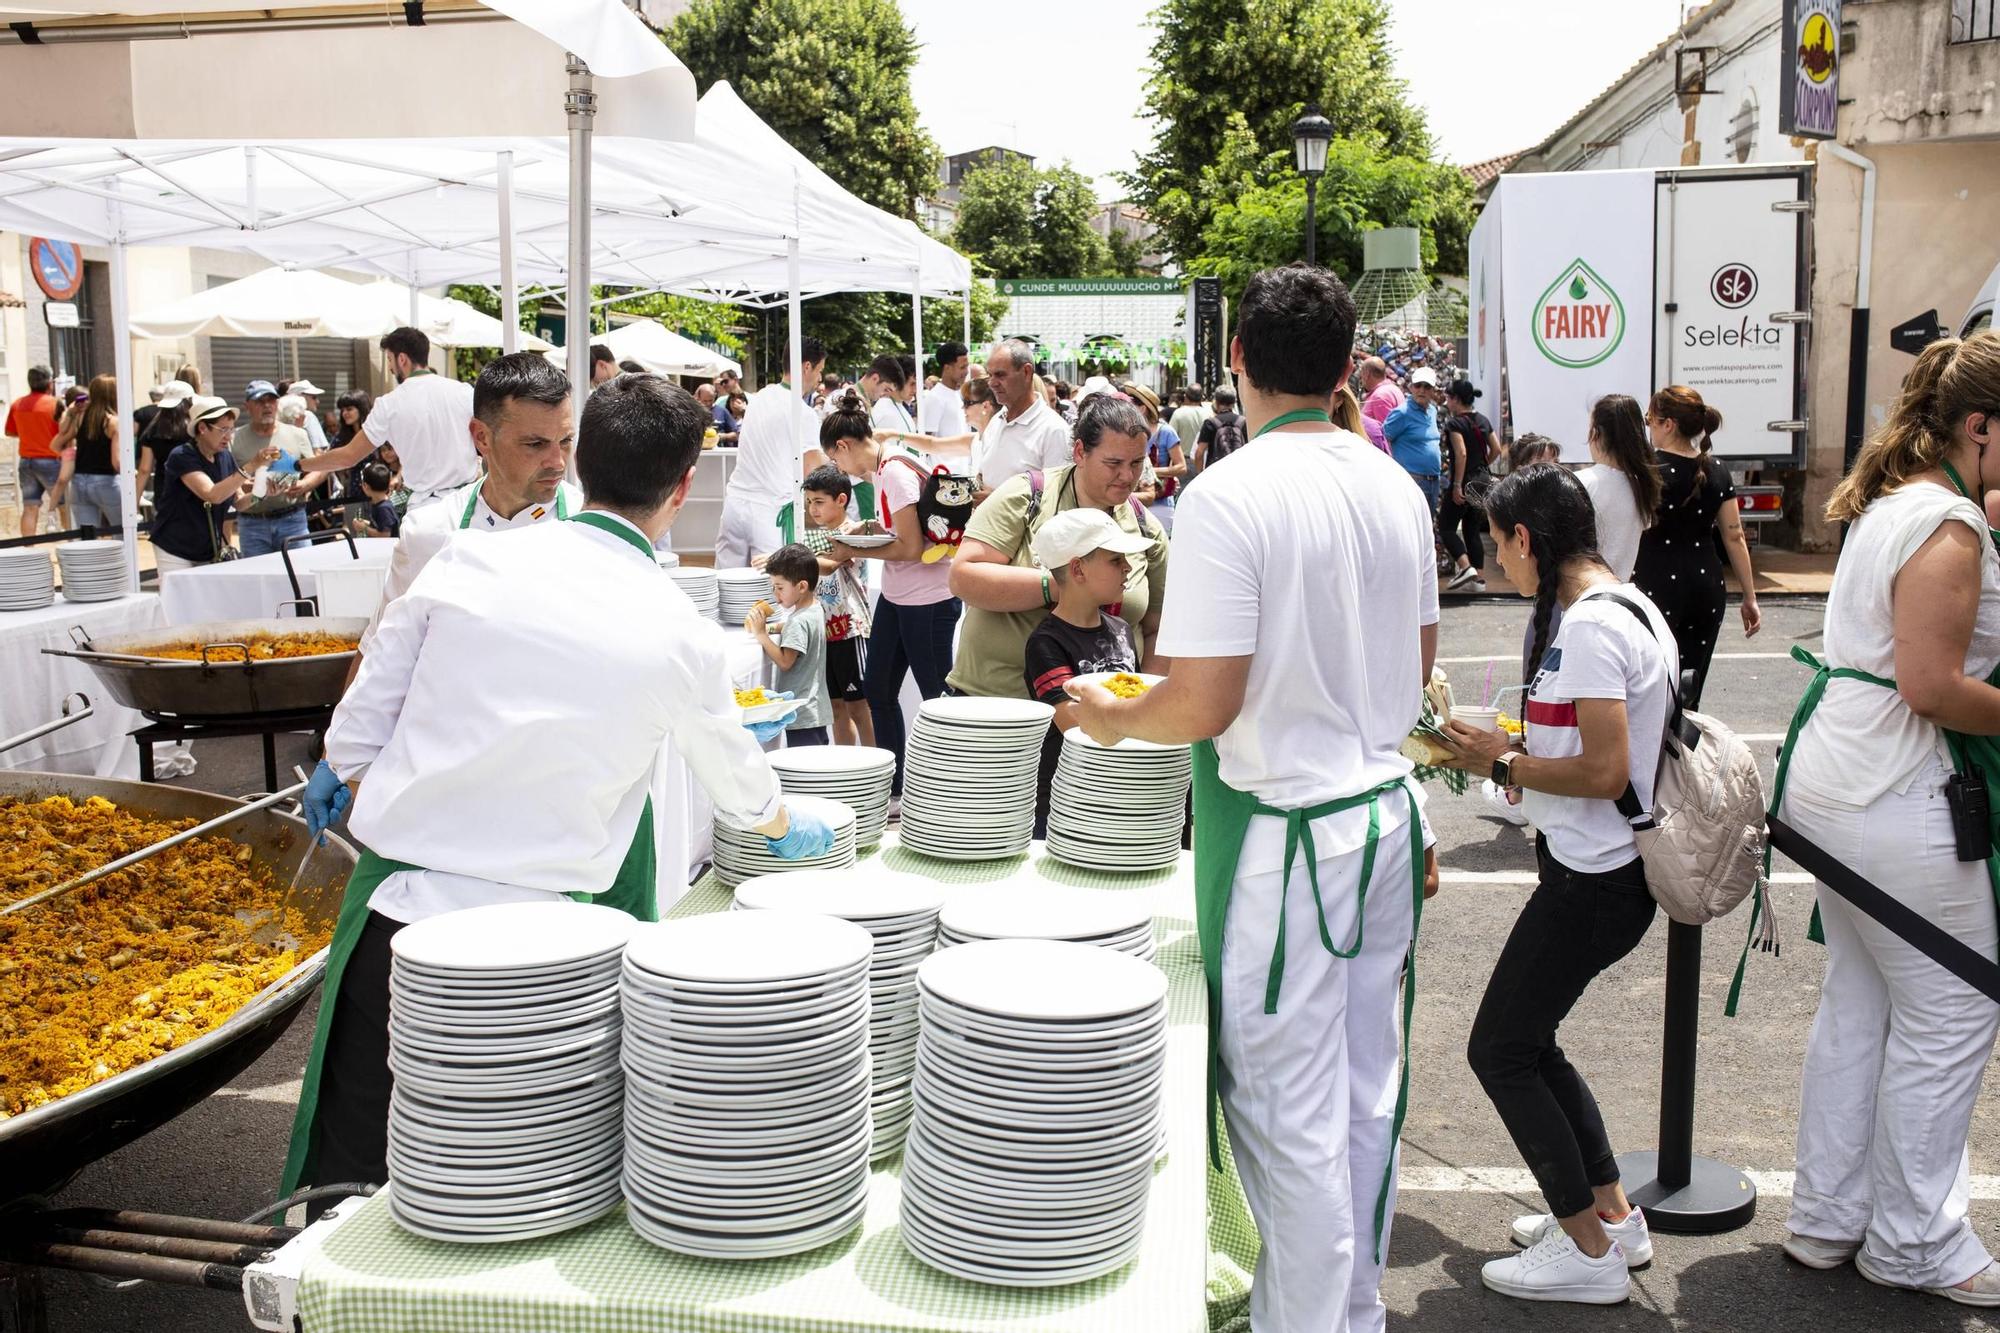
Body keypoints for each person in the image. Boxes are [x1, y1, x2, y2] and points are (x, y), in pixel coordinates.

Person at [285, 370, 835, 1203]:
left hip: (398, 917)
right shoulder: (681, 635)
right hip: (542, 953)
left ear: (579, 464)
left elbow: (374, 694)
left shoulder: (465, 561)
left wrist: (337, 760)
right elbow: (741, 789)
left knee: (358, 1178)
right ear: (685, 488)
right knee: (512, 1185)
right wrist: (785, 824)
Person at [1067, 264, 1437, 1333]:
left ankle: (1314, 1321)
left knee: (1288, 1119)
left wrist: (1109, 713)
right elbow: (1413, 667)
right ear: (1342, 365)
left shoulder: (1226, 494)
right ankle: (1351, 1309)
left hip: (1292, 835)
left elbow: (1200, 699)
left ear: (1234, 360)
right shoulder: (1391, 486)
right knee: (1366, 1093)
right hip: (1378, 811)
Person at [1773, 332, 2000, 1306]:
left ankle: (1828, 1215)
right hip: (1887, 789)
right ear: (1978, 427)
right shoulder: (1945, 524)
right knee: (1953, 1005)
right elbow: (1929, 685)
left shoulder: (1894, 504)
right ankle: (1907, 1238)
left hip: (1836, 781)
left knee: (1865, 997)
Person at [1439, 463, 1676, 1305]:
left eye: (1499, 545)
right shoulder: (1628, 602)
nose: (1500, 563)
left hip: (1594, 881)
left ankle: (1587, 1250)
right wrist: (1503, 738)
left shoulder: (1589, 629)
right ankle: (1610, 1215)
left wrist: (1498, 758)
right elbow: (1590, 738)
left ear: (1526, 538)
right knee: (1531, 1042)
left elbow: (1608, 768)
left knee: (1499, 1049)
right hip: (1600, 874)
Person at [359, 352, 583, 666]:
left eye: (566, 440)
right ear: (481, 437)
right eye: (535, 444)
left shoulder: (592, 524)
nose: (558, 462)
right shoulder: (430, 533)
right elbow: (378, 653)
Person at [947, 393, 1168, 702]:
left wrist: (1143, 703)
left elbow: (1158, 630)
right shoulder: (1027, 496)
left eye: (1136, 463)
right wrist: (1064, 586)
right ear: (1080, 452)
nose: (1128, 476)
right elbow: (963, 577)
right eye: (1113, 463)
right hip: (1002, 708)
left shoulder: (1146, 528)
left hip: (1099, 724)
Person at [825, 414, 964, 797]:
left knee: (937, 697)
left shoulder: (894, 472)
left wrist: (851, 547)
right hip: (900, 596)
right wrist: (866, 529)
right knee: (879, 688)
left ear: (844, 445)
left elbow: (910, 547)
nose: (841, 470)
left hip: (928, 600)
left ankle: (953, 786)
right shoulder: (889, 465)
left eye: (836, 461)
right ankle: (894, 786)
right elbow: (903, 532)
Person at [1631, 384, 1760, 709]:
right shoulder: (1716, 470)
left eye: (1650, 420)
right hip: (1706, 587)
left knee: (1649, 686)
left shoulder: (1648, 469)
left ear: (1668, 424)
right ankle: (1686, 755)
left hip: (1654, 585)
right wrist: (1749, 596)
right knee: (1690, 686)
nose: (1649, 427)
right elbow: (1735, 536)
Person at [1022, 509, 1147, 835]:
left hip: (1125, 796)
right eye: (1115, 560)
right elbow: (1076, 725)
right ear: (1077, 569)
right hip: (1069, 805)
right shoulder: (1045, 644)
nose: (1128, 567)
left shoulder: (1122, 629)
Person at [309, 328, 478, 510]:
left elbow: (348, 457)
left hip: (427, 512)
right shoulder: (464, 391)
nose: (390, 368)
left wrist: (299, 465)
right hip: (468, 504)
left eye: (389, 359)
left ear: (402, 359)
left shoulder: (388, 404)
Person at [715, 336, 825, 568]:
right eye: (820, 370)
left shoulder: (759, 398)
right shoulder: (802, 413)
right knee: (772, 590)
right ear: (807, 367)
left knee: (726, 583)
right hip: (770, 511)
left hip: (735, 503)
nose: (820, 378)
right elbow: (814, 470)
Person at [791, 461, 874, 747]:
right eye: (809, 502)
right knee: (836, 709)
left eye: (819, 502)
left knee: (860, 707)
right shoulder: (818, 536)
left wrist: (793, 559)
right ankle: (846, 766)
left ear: (841, 500)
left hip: (852, 630)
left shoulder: (856, 532)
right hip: (826, 633)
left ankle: (876, 766)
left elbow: (830, 565)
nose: (813, 509)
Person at [149, 396, 261, 573]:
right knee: (179, 599)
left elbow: (238, 502)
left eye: (231, 430)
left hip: (208, 549)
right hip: (174, 547)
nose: (229, 437)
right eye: (223, 430)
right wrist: (252, 465)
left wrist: (263, 492)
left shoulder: (225, 457)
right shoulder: (182, 455)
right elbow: (212, 494)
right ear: (202, 428)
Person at [749, 544, 833, 748]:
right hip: (816, 709)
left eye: (780, 587)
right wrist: (774, 628)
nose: (775, 594)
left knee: (804, 774)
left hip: (801, 713)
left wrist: (761, 635)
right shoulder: (814, 608)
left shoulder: (797, 622)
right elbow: (798, 629)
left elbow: (786, 662)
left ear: (802, 586)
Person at [229, 380, 318, 557]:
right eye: (260, 401)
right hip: (252, 524)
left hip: (293, 520)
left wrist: (305, 484)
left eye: (271, 400)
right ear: (247, 406)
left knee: (302, 576)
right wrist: (250, 484)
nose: (267, 405)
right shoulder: (233, 440)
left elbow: (318, 468)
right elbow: (228, 481)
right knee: (260, 582)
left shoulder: (297, 434)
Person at [1577, 394, 1661, 582]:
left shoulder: (1582, 482)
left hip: (1581, 596)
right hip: (1619, 592)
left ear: (1595, 434)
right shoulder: (1642, 485)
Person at [972, 339, 1071, 493]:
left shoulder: (1054, 430)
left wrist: (995, 502)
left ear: (1026, 372)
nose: (992, 383)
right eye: (990, 375)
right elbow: (984, 475)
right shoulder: (996, 422)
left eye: (1000, 375)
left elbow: (1056, 498)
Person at [1440, 380, 1498, 592]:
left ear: (1456, 399)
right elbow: (1497, 449)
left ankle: (1465, 568)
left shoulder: (1455, 424)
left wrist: (1457, 485)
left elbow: (1461, 453)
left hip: (1464, 481)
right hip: (1482, 481)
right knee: (1472, 530)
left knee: (1446, 527)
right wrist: (1482, 467)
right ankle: (1478, 581)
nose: (1447, 402)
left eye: (1448, 398)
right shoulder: (1483, 420)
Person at [50, 374, 124, 535]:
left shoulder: (81, 417)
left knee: (87, 538)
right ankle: (121, 561)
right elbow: (117, 462)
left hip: (79, 482)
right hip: (106, 481)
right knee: (122, 531)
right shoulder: (113, 421)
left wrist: (70, 412)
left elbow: (58, 441)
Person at [8, 366, 64, 537]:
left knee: (30, 507)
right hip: (51, 461)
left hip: (26, 461)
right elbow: (64, 431)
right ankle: (73, 543)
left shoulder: (17, 404)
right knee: (64, 505)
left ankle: (28, 548)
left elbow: (9, 431)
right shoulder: (55, 404)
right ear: (49, 383)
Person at [1383, 366, 1444, 519]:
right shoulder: (1402, 412)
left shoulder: (1432, 411)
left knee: (1427, 526)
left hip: (1433, 480)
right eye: (1418, 385)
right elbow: (1383, 440)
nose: (1422, 390)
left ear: (1432, 390)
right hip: (1412, 479)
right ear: (1411, 387)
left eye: (1427, 386)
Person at [1127, 382, 1186, 535]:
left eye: (1131, 403)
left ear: (1142, 408)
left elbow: (1181, 467)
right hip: (1135, 502)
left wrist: (1149, 471)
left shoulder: (1166, 431)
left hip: (1161, 504)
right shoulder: (1130, 432)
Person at [134, 380, 194, 507]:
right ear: (188, 402)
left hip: (164, 492)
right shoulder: (194, 429)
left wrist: (134, 502)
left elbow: (145, 469)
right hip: (194, 492)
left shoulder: (152, 430)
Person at [923, 341, 972, 457]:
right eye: (962, 367)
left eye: (967, 366)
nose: (966, 372)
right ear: (947, 368)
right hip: (943, 472)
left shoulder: (959, 394)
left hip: (962, 471)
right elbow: (925, 441)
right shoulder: (935, 398)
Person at [1192, 386, 1247, 473]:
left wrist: (1200, 474)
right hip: (1239, 471)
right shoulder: (1243, 422)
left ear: (1216, 402)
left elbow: (1199, 453)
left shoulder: (1210, 423)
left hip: (1215, 472)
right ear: (1234, 403)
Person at [1359, 355, 1404, 430]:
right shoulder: (1394, 388)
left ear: (1367, 374)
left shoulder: (1379, 396)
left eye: (1362, 373)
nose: (1361, 378)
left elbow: (1386, 433)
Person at [357, 462, 402, 538]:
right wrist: (365, 524)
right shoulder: (379, 504)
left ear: (366, 486)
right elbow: (380, 526)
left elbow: (385, 535)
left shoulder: (384, 508)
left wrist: (364, 528)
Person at [288, 379, 331, 451]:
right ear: (301, 397)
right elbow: (320, 449)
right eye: (314, 397)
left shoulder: (281, 417)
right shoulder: (308, 415)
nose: (318, 401)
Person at [1170, 384, 1207, 457]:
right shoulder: (1208, 413)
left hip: (1183, 460)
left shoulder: (1178, 413)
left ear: (1185, 397)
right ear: (1201, 398)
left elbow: (1170, 438)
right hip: (1203, 459)